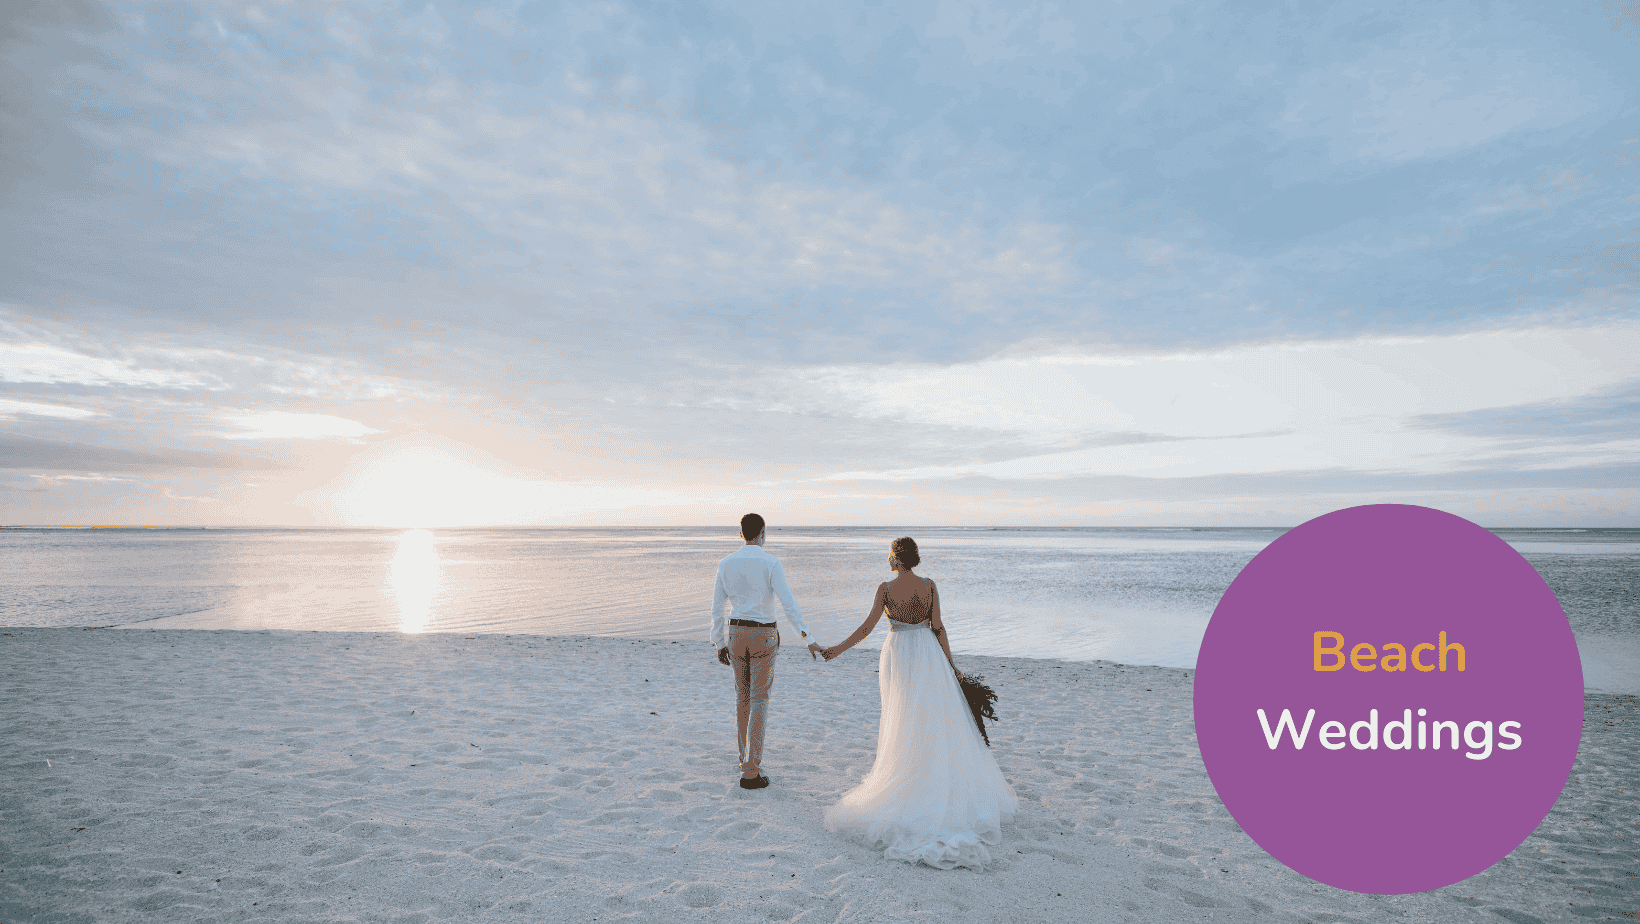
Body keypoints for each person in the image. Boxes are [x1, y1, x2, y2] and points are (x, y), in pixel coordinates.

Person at [818, 536, 1017, 869]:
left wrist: (837, 649)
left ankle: (909, 772)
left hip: (898, 653)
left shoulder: (885, 588)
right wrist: (951, 666)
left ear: (895, 558)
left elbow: (868, 627)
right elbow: (937, 627)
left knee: (903, 717)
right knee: (931, 716)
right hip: (927, 653)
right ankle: (929, 774)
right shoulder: (929, 586)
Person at [711, 513, 826, 790]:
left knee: (743, 698)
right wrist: (807, 636)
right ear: (762, 533)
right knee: (759, 699)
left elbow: (716, 608)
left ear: (741, 533)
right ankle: (751, 769)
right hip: (763, 634)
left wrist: (719, 642)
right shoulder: (771, 562)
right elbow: (788, 602)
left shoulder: (725, 564)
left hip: (736, 633)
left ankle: (744, 760)